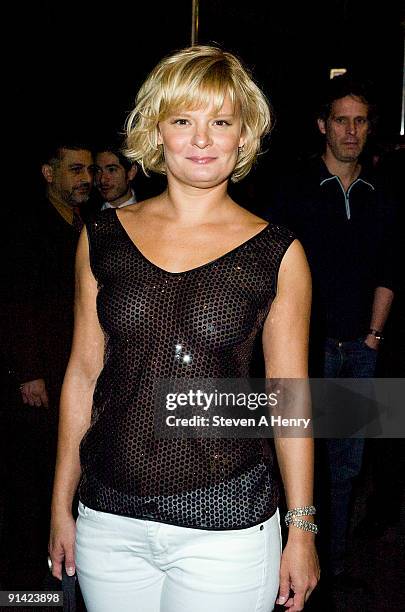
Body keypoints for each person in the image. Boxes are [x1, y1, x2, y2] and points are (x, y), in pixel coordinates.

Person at [49, 46, 319, 612]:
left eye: (220, 122)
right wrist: (61, 504)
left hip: (227, 524)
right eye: (183, 120)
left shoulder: (278, 253)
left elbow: (289, 396)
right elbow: (82, 374)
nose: (202, 139)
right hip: (107, 520)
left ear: (243, 137)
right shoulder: (102, 238)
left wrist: (302, 529)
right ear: (157, 130)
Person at [270, 75, 397, 586]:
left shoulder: (380, 195)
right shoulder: (294, 189)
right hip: (304, 350)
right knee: (293, 459)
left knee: (344, 468)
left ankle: (334, 568)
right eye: (341, 119)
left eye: (360, 120)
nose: (350, 130)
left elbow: (391, 270)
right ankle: (287, 563)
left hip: (358, 349)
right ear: (323, 125)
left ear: (369, 129)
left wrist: (374, 337)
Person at [0, 141, 93, 589]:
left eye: (89, 170)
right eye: (76, 169)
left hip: (72, 367)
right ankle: (25, 583)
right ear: (48, 173)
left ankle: (58, 571)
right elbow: (15, 303)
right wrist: (28, 371)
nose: (87, 179)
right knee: (32, 479)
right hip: (39, 376)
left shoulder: (85, 224)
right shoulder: (27, 227)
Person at [93, 143, 138, 209]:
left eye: (111, 170)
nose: (102, 179)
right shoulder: (83, 215)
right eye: (97, 170)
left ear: (131, 172)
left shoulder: (149, 214)